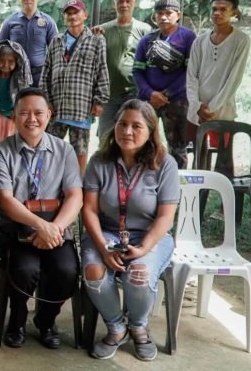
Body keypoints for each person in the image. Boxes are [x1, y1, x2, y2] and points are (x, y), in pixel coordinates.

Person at [81, 99, 178, 361]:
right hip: (107, 233)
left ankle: (138, 327)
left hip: (149, 236)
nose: (127, 131)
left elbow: (166, 216)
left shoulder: (165, 164)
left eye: (136, 126)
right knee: (93, 270)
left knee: (139, 273)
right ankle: (116, 328)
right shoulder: (99, 161)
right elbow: (88, 210)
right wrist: (103, 248)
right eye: (122, 124)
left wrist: (143, 248)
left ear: (151, 131)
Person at [0, 87, 83, 350]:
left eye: (38, 113)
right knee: (25, 270)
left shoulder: (64, 150)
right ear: (14, 116)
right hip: (17, 229)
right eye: (24, 113)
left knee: (67, 271)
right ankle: (17, 320)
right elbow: (5, 200)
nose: (32, 119)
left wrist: (55, 228)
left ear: (49, 114)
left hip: (56, 228)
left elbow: (75, 196)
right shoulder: (1, 152)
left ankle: (46, 320)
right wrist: (40, 225)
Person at [40, 0, 108, 172]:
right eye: (68, 13)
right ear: (64, 18)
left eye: (76, 12)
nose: (72, 16)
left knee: (80, 151)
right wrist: (46, 100)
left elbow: (101, 70)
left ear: (85, 15)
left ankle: (77, 184)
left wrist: (99, 100)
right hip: (57, 107)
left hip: (81, 106)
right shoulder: (56, 41)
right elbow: (46, 72)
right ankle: (50, 181)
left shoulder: (96, 40)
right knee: (50, 149)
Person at [133, 0, 197, 168]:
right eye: (160, 13)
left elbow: (190, 72)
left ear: (178, 15)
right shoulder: (146, 40)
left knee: (178, 146)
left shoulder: (188, 37)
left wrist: (166, 94)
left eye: (169, 13)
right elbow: (137, 71)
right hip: (149, 101)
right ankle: (145, 177)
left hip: (177, 101)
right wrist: (151, 93)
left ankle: (177, 180)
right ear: (154, 16)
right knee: (143, 142)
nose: (163, 17)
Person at [186, 0, 251, 138]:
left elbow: (234, 79)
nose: (217, 13)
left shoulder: (241, 40)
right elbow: (191, 76)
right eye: (214, 9)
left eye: (223, 9)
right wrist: (196, 106)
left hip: (222, 113)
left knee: (222, 153)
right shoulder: (200, 41)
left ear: (234, 13)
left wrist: (210, 110)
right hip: (196, 114)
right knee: (195, 151)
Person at [95, 0, 153, 139]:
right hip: (108, 96)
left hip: (134, 94)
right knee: (106, 138)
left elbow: (150, 63)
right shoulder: (103, 30)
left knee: (133, 137)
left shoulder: (145, 30)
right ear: (114, 4)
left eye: (128, 1)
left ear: (135, 2)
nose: (124, 5)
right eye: (120, 1)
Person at [0, 0, 57, 86]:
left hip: (40, 76)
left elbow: (55, 51)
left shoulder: (48, 22)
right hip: (15, 75)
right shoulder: (9, 21)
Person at [0, 40, 32, 151]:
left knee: (7, 150)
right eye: (2, 60)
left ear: (17, 62)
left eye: (10, 61)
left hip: (11, 119)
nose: (5, 64)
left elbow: (24, 101)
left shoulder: (19, 81)